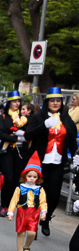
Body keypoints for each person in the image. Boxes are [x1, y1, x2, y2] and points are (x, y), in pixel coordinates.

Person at [23, 87, 78, 236]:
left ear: (61, 102)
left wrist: (76, 158)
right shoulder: (38, 118)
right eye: (52, 100)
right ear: (47, 102)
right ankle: (33, 223)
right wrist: (44, 125)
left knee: (53, 196)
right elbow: (28, 135)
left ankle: (45, 219)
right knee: (35, 195)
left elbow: (73, 143)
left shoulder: (66, 119)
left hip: (58, 163)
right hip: (39, 163)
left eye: (58, 100)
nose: (55, 103)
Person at [0, 91, 29, 217]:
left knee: (16, 180)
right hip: (8, 149)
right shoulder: (4, 117)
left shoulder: (23, 116)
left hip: (21, 152)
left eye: (18, 101)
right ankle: (3, 205)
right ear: (9, 103)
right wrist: (14, 138)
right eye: (14, 101)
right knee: (8, 178)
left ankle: (11, 205)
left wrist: (24, 136)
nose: (17, 104)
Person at [6, 153, 48, 251]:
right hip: (22, 212)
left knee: (31, 233)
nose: (31, 179)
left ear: (38, 178)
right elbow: (13, 201)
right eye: (29, 176)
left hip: (34, 213)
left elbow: (43, 202)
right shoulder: (19, 188)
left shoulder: (40, 190)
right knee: (20, 232)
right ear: (25, 177)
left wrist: (43, 212)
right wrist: (10, 212)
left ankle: (27, 246)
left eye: (34, 177)